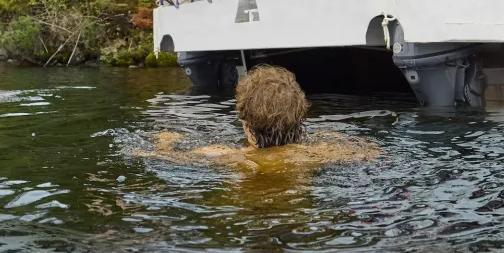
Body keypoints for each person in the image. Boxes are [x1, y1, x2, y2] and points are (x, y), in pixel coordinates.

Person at [141, 65, 377, 168]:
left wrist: (165, 142)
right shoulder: (324, 153)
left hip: (250, 215)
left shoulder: (224, 156)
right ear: (300, 118)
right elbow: (372, 153)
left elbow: (158, 156)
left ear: (245, 124)